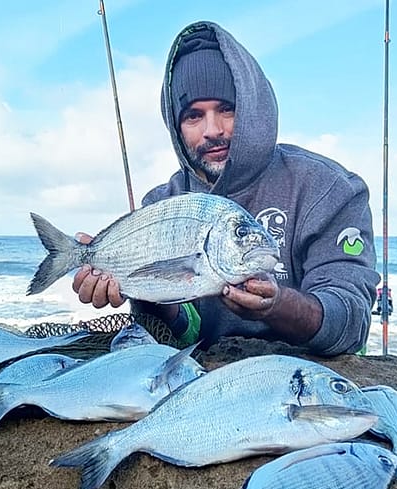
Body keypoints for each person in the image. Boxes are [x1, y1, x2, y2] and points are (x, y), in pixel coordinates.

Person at [73, 21, 380, 356]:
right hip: (208, 376)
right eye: (193, 116)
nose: (212, 130)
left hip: (313, 384)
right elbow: (184, 328)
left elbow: (351, 320)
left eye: (227, 109)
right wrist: (148, 296)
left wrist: (278, 305)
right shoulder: (161, 203)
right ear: (176, 126)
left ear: (254, 109)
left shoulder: (329, 189)